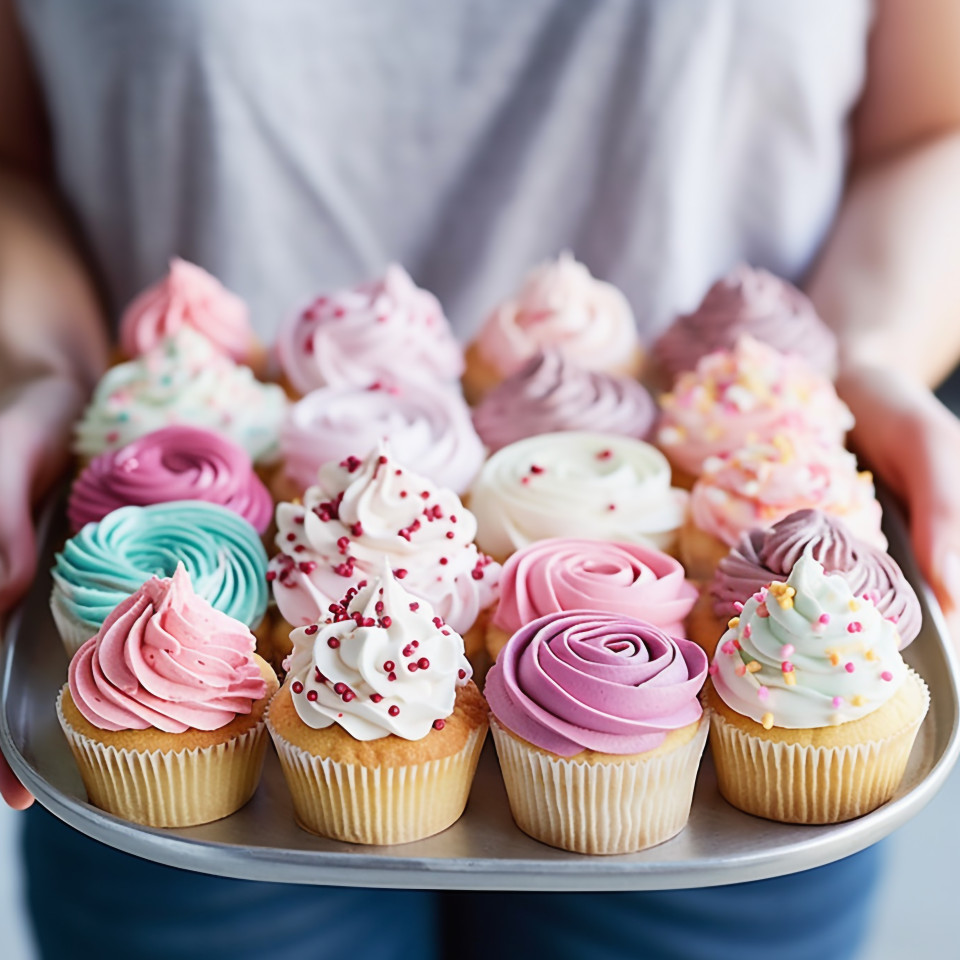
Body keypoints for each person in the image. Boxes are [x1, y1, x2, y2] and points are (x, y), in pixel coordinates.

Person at [3, 1, 960, 958]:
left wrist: (868, 360)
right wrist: (38, 368)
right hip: (191, 728)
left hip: (719, 691)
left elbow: (931, 129)